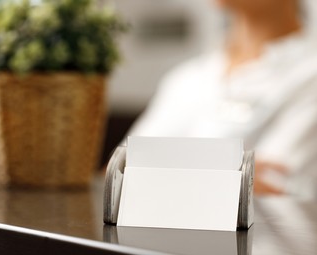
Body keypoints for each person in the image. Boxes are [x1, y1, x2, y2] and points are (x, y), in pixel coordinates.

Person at [127, 0, 317, 197]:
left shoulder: (310, 76)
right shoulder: (187, 78)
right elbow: (118, 174)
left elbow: (268, 189)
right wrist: (222, 174)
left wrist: (157, 170)